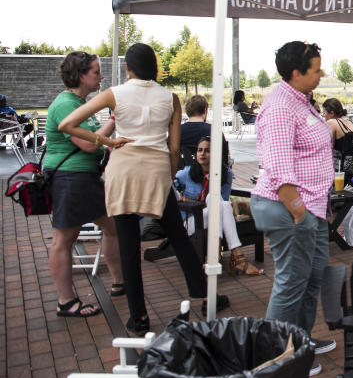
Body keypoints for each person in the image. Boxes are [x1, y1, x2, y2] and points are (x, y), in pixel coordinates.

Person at [59, 43, 227, 336]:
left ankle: (139, 317)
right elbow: (174, 147)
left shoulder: (115, 94)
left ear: (128, 68)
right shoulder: (170, 98)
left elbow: (67, 124)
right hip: (156, 171)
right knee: (177, 234)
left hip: (122, 171)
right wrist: (170, 173)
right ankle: (202, 295)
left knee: (128, 244)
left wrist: (108, 143)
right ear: (155, 67)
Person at [250, 41, 336, 370]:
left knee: (312, 275)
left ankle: (298, 340)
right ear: (297, 73)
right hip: (289, 207)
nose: (321, 74)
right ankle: (277, 356)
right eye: (316, 69)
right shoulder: (280, 107)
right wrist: (299, 211)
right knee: (291, 281)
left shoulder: (301, 101)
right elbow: (279, 169)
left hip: (310, 206)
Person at [44, 52, 123, 318]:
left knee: (112, 225)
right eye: (95, 72)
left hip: (82, 179)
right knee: (64, 239)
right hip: (70, 178)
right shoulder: (66, 105)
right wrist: (114, 120)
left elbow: (95, 139)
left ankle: (119, 281)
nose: (100, 76)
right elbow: (90, 143)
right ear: (80, 76)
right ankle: (66, 302)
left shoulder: (77, 102)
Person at [174, 137, 263, 276]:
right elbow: (171, 189)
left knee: (218, 201)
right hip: (191, 221)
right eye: (199, 150)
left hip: (215, 215)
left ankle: (215, 256)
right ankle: (236, 257)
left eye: (207, 151)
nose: (202, 154)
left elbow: (224, 200)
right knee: (217, 201)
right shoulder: (186, 173)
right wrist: (183, 198)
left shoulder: (225, 174)